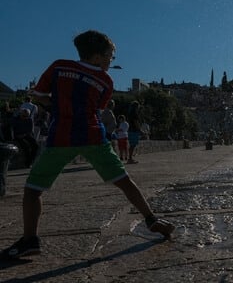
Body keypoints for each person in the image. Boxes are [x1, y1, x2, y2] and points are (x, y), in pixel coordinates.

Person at [1, 30, 174, 260]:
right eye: (110, 57)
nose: (111, 62)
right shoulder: (106, 81)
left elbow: (40, 95)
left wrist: (57, 106)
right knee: (124, 181)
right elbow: (97, 110)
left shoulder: (59, 67)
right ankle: (151, 219)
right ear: (96, 57)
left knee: (33, 190)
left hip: (61, 139)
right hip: (94, 137)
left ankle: (30, 240)